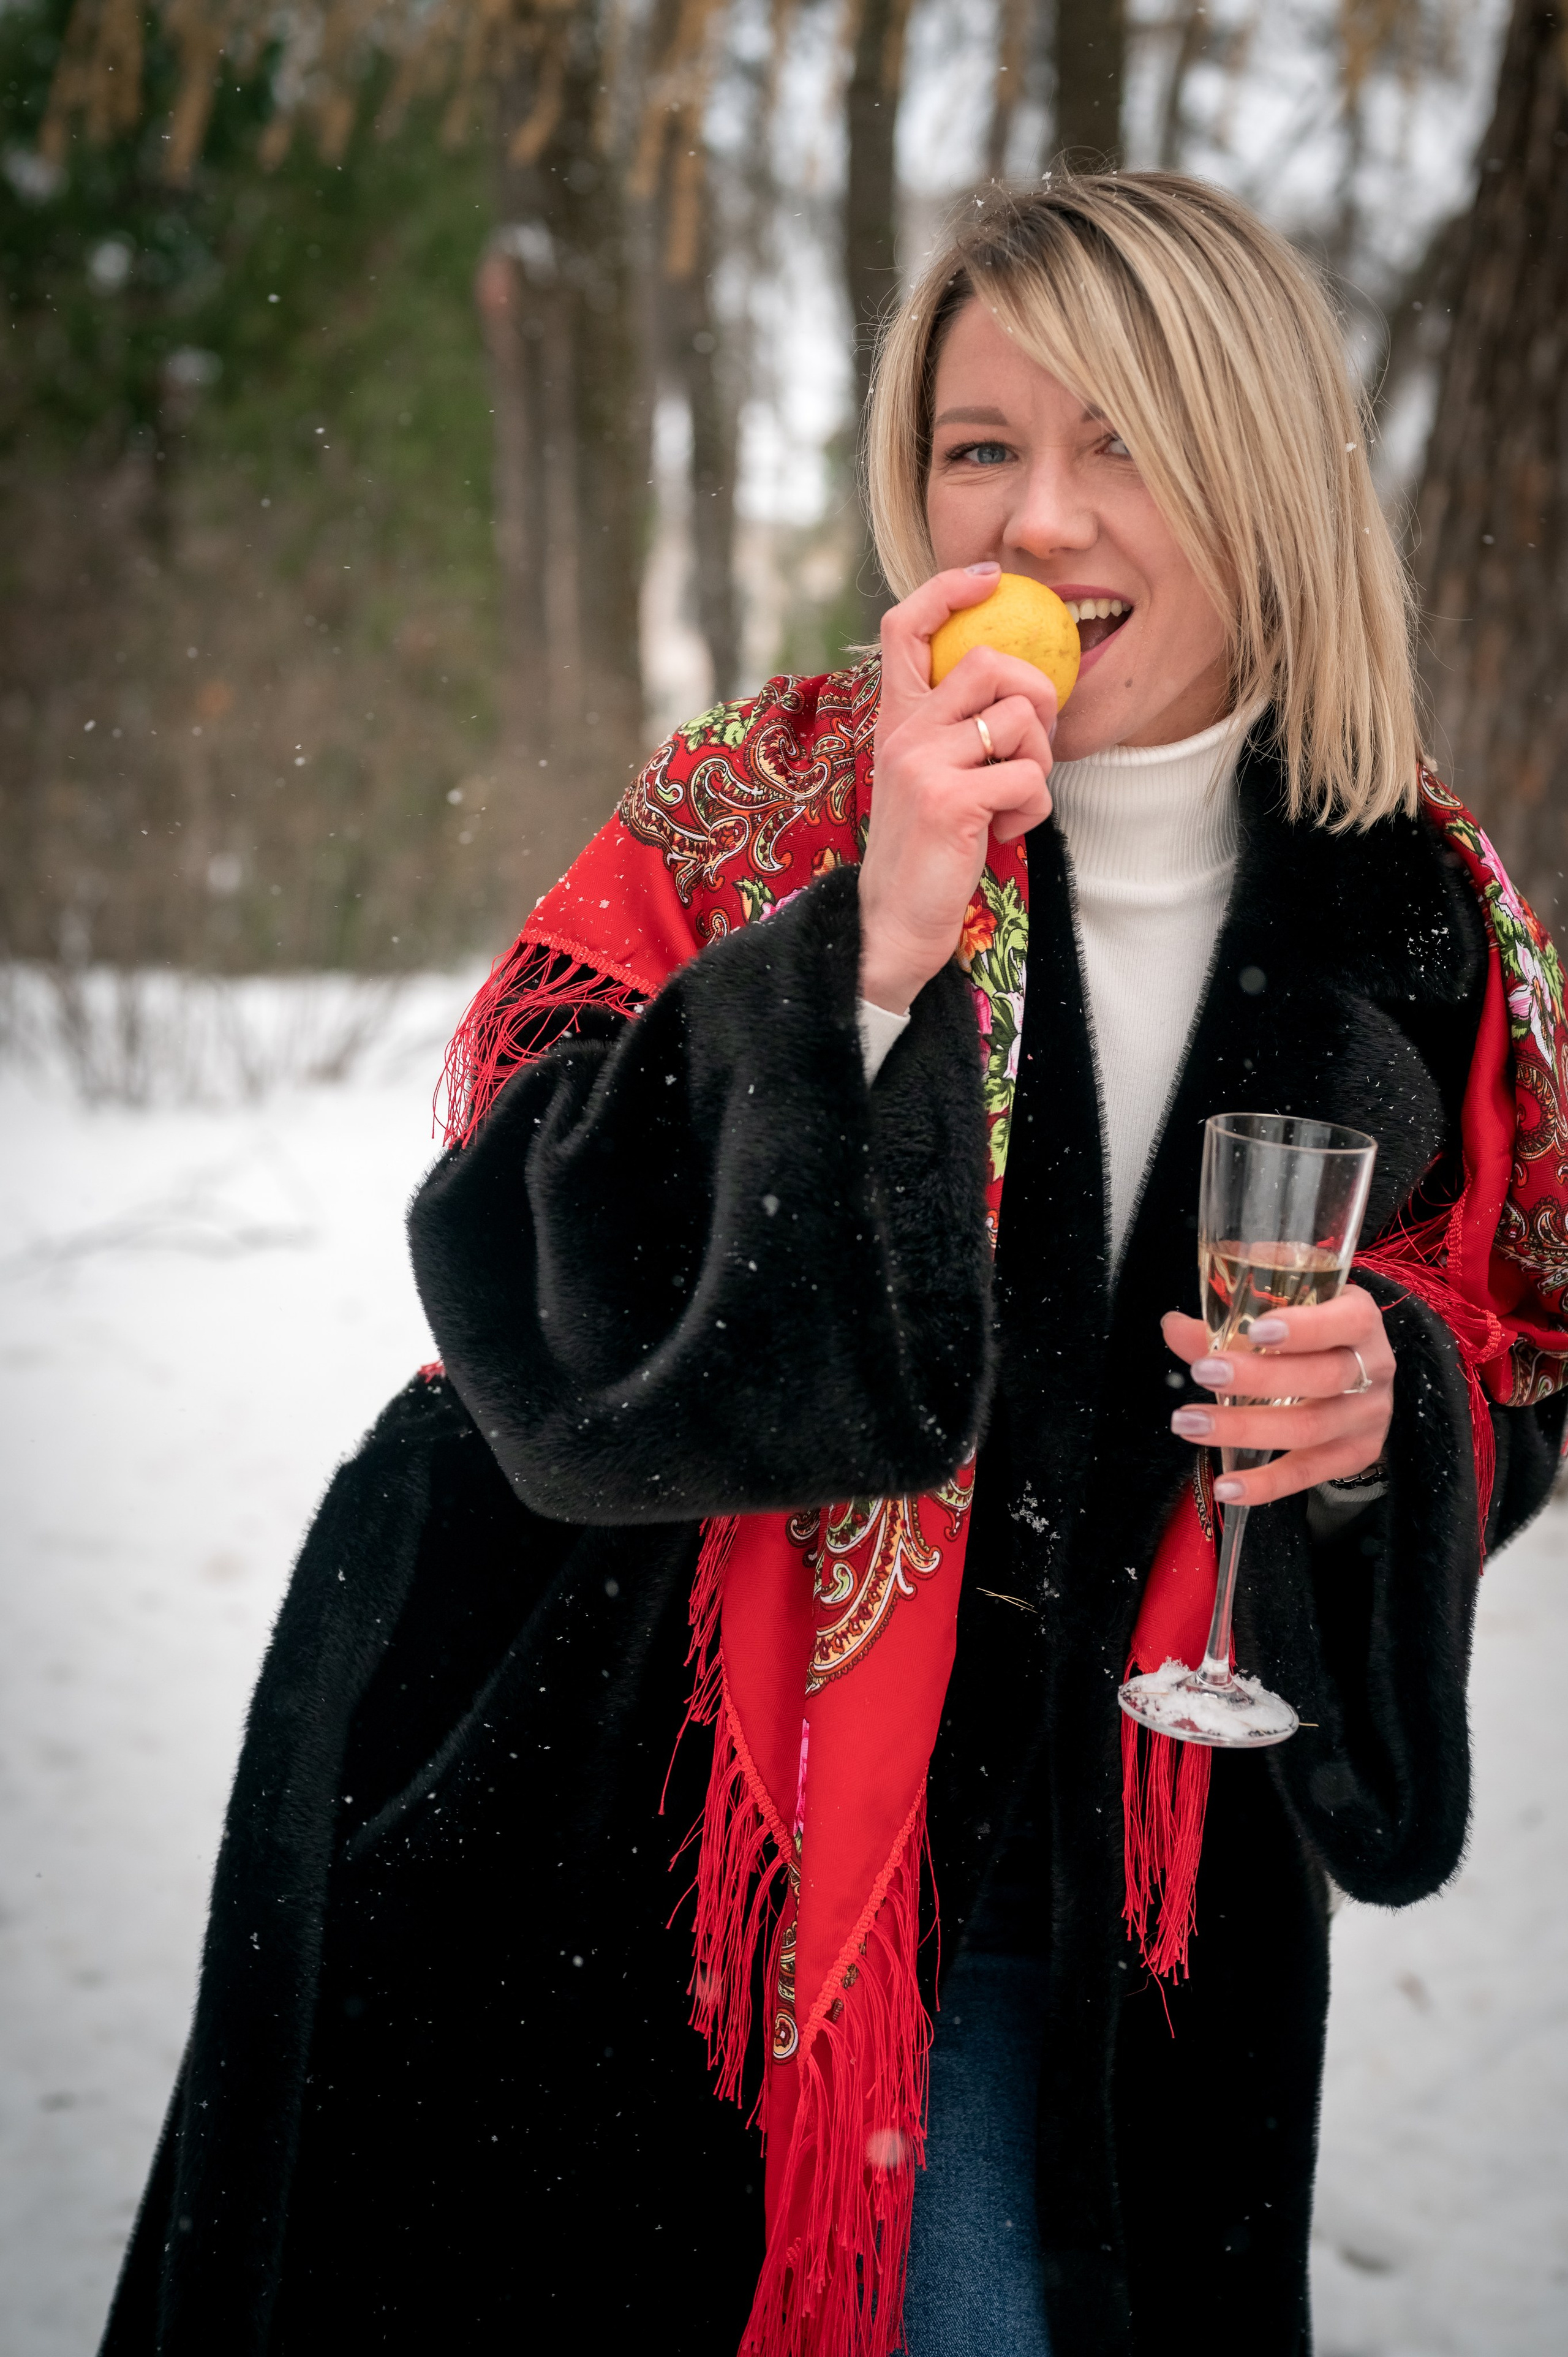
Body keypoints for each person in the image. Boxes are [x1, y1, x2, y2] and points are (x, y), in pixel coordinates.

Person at [102, 173, 1568, 2357]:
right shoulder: (771, 801)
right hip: (614, 1847)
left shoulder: (1414, 906)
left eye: (1122, 441)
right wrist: (869, 940)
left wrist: (1389, 1420)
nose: (1041, 526)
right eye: (982, 450)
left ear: (1263, 473)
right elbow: (522, 1273)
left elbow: (1507, 1344)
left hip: (1104, 1915)